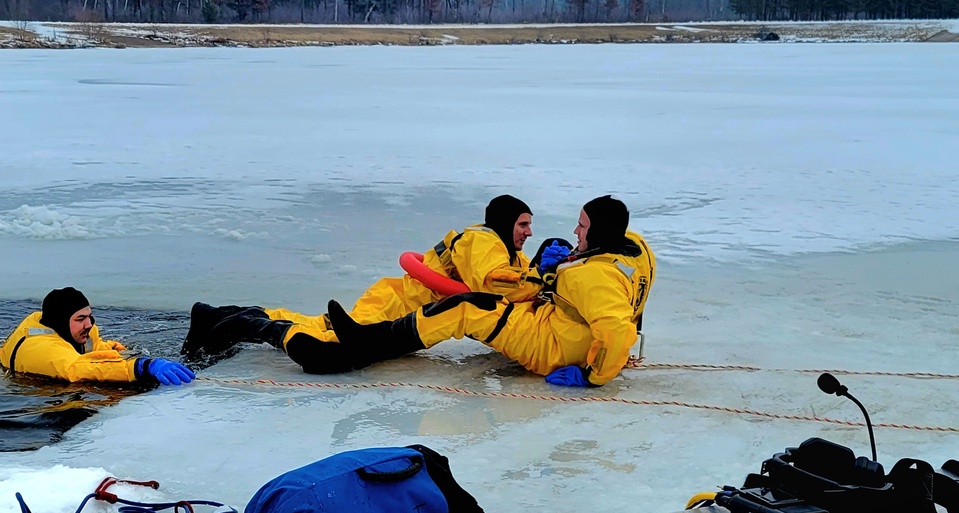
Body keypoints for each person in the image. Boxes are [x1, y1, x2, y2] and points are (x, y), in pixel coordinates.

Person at [181, 194, 558, 373]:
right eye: (523, 224)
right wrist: (540, 277)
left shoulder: (514, 257)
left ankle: (224, 314)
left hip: (411, 312)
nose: (528, 232)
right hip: (397, 304)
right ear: (505, 222)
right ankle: (235, 323)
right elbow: (493, 284)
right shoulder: (484, 242)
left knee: (320, 327)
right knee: (326, 338)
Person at [323, 195, 656, 387]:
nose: (575, 230)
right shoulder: (636, 252)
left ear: (598, 230)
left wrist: (594, 375)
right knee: (555, 248)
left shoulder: (592, 278)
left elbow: (614, 326)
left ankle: (369, 342)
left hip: (553, 348)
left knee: (466, 307)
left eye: (582, 226)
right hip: (566, 330)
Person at [0, 287, 195, 386]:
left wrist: (123, 352)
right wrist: (140, 367)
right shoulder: (42, 349)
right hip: (20, 386)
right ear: (60, 321)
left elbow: (96, 348)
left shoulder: (73, 330)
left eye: (89, 316)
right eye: (80, 319)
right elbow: (77, 368)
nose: (89, 324)